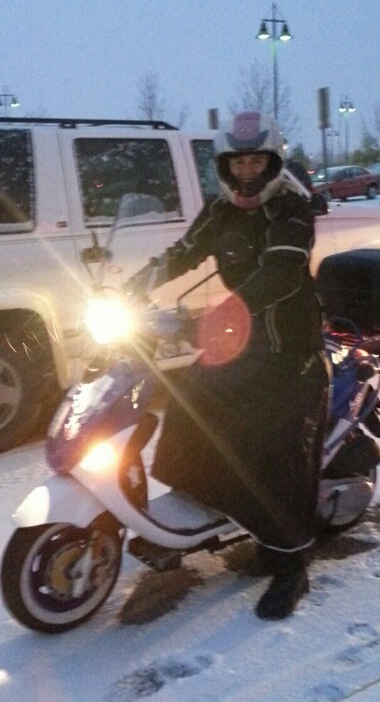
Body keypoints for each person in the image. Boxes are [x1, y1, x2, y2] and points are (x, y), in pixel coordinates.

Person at [126, 111, 330, 620]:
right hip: (241, 339)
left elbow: (279, 274)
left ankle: (289, 564)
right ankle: (196, 504)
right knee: (190, 394)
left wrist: (223, 314)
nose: (246, 171)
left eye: (255, 159)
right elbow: (186, 251)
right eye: (238, 161)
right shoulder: (221, 212)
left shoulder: (291, 211)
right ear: (225, 163)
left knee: (275, 442)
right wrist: (139, 281)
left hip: (288, 346)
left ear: (273, 161)